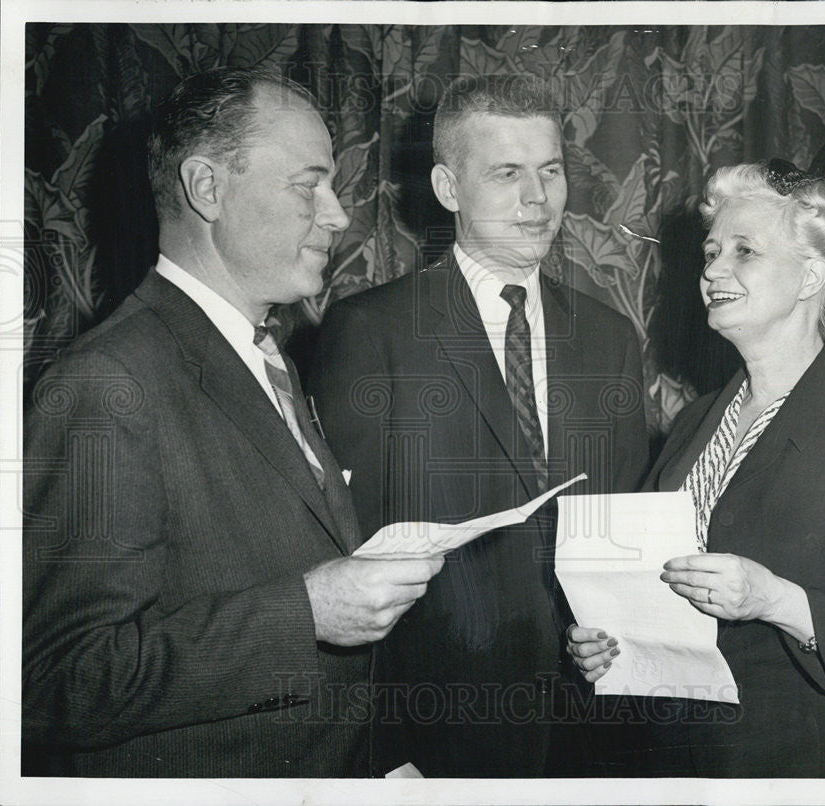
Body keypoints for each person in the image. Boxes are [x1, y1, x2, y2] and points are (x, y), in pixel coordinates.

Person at [21, 66, 442, 778]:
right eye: (308, 184)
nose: (338, 214)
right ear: (206, 188)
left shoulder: (261, 357)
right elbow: (58, 681)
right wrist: (303, 614)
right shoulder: (105, 382)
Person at [567, 154, 825, 777]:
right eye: (710, 252)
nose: (712, 271)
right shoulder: (696, 421)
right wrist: (607, 640)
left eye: (743, 252)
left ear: (811, 276)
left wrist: (775, 600)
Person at [307, 74, 650, 777]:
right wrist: (378, 757)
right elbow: (344, 551)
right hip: (435, 735)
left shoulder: (611, 337)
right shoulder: (371, 332)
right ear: (447, 187)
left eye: (551, 171)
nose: (538, 199)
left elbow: (624, 534)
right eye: (507, 174)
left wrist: (623, 632)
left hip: (592, 730)